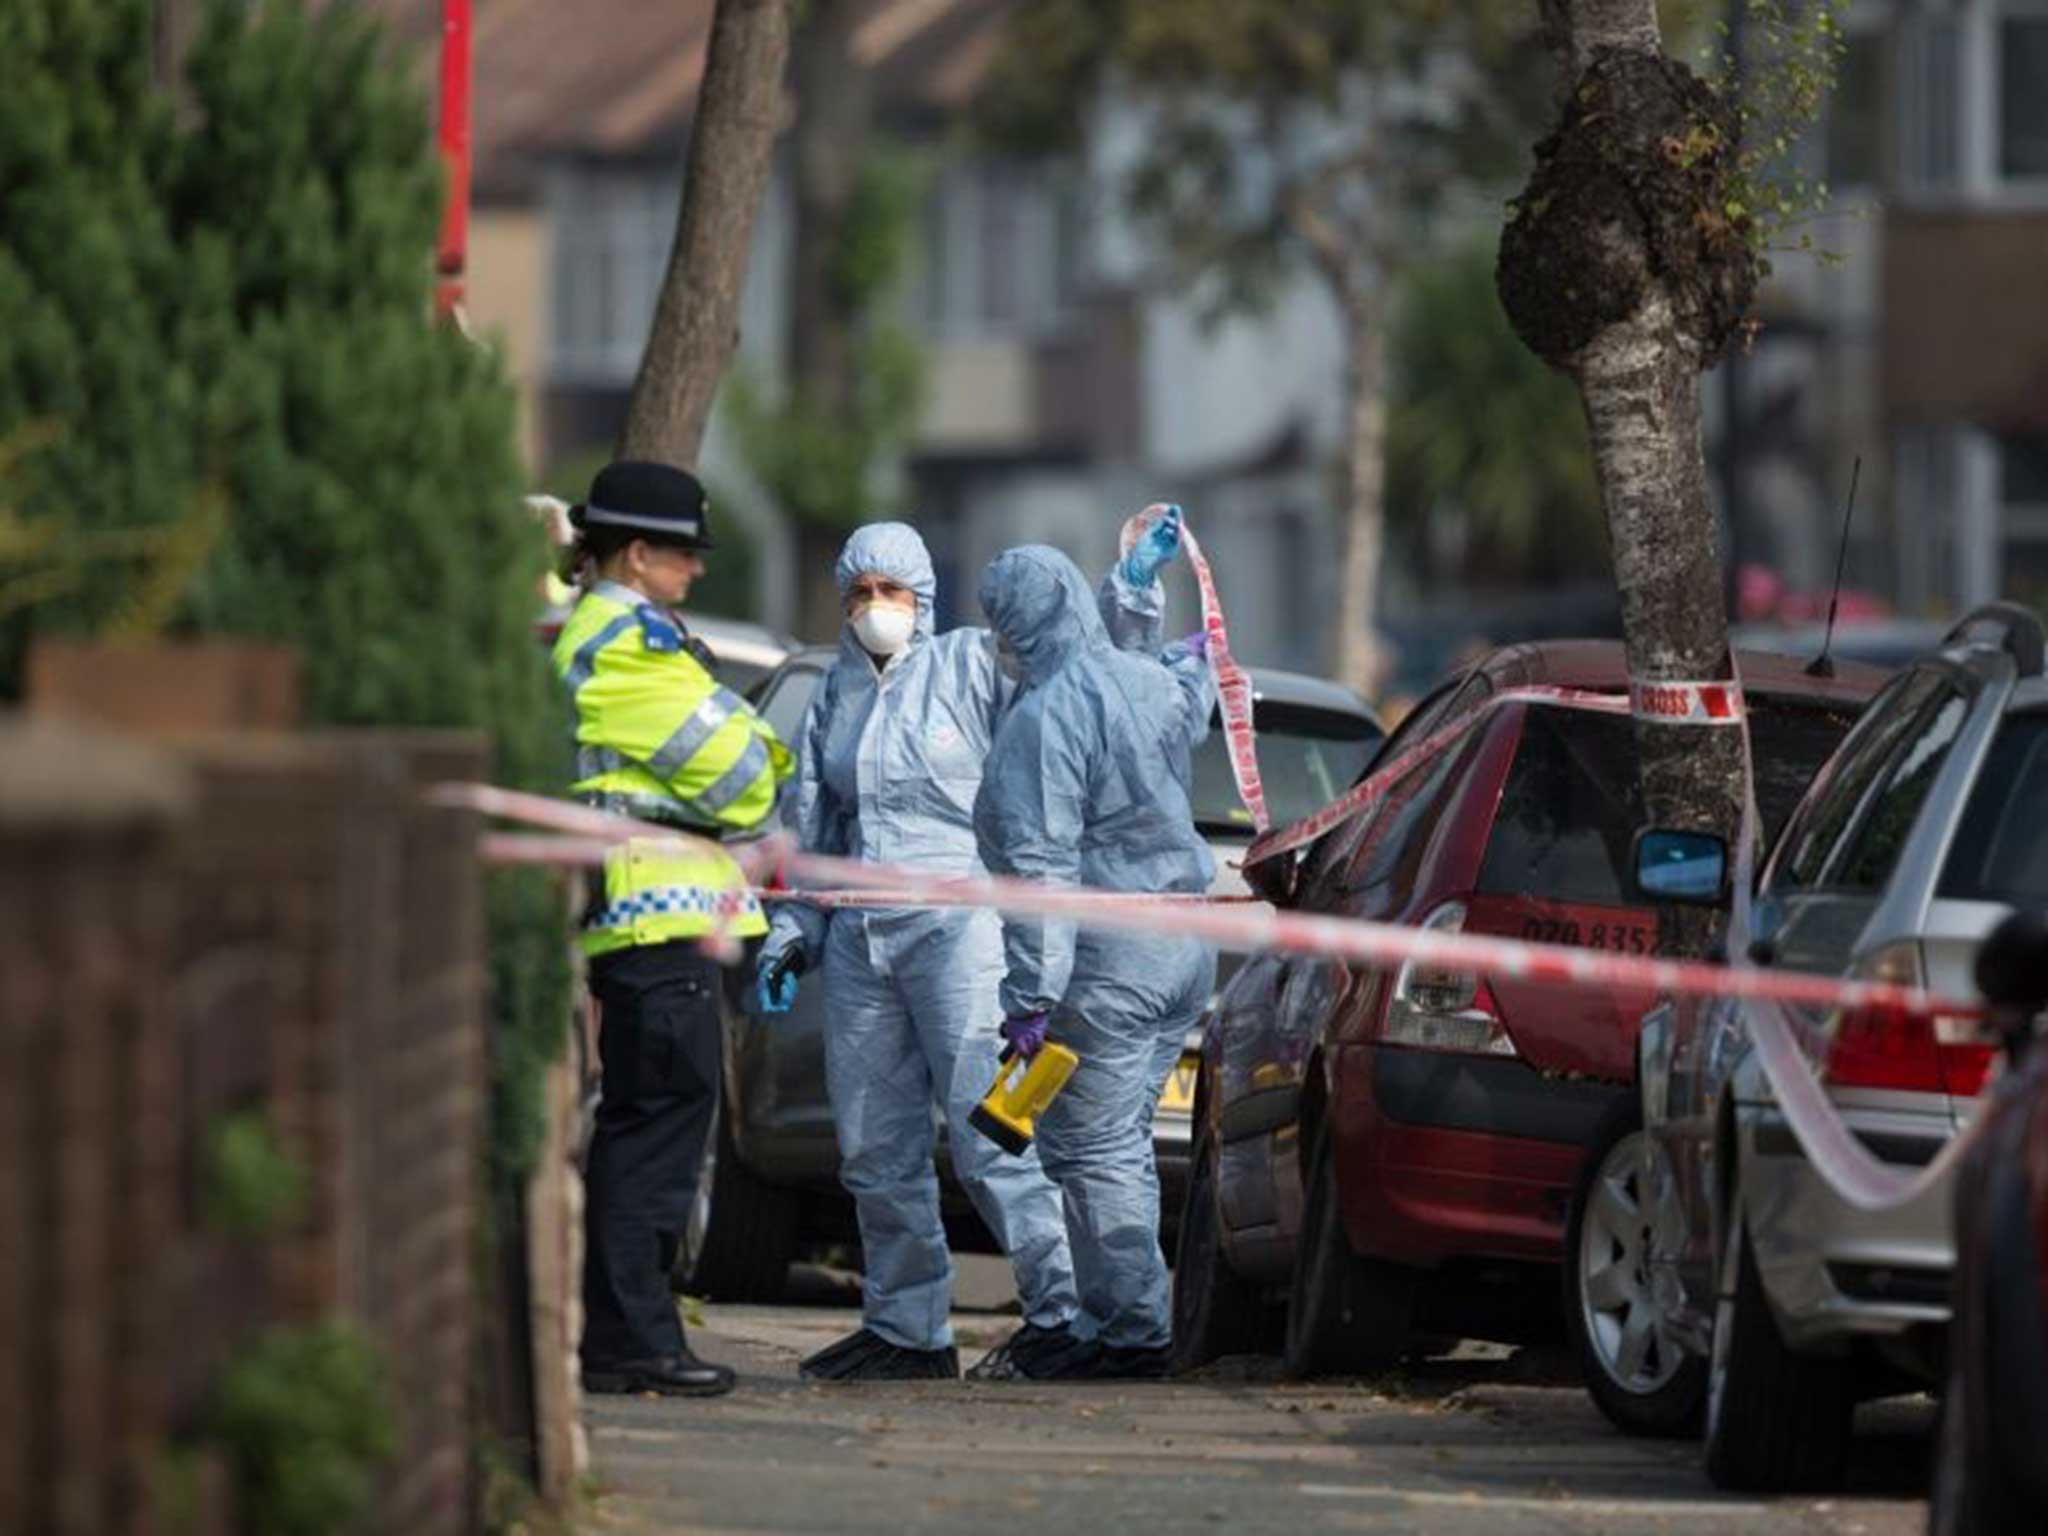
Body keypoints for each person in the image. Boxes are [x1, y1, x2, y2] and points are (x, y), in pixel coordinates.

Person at [755, 517, 1181, 1382]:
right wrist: (793, 931)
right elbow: (813, 825)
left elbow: (1082, 672)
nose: (875, 608)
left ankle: (1062, 1312)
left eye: (893, 592)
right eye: (860, 593)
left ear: (926, 600)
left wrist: (1129, 599)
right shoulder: (835, 693)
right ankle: (907, 1328)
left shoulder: (971, 666)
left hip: (963, 931)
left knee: (995, 1133)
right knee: (875, 1147)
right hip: (860, 938)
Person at [552, 460, 793, 1398]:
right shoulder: (627, 645)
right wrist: (754, 747)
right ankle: (633, 1340)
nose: (696, 570)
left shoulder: (621, 637)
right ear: (638, 553)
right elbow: (746, 776)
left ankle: (626, 1332)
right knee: (655, 1135)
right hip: (658, 919)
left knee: (643, 1128)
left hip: (651, 919)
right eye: (684, 554)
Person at [972, 534, 1218, 1380]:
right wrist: (1141, 596)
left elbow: (1043, 872)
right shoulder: (1139, 677)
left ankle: (1133, 1335)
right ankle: (1118, 1319)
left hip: (1112, 963)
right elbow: (1183, 699)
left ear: (1014, 625)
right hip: (1186, 951)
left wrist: (1029, 1000)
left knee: (1098, 1151)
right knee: (1117, 1144)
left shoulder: (1042, 719)